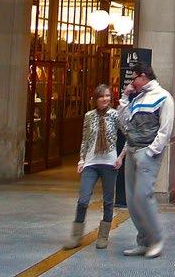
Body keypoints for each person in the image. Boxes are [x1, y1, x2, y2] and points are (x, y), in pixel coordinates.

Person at [117, 64, 174, 259]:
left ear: (142, 76)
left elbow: (165, 130)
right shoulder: (137, 98)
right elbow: (124, 124)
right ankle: (144, 241)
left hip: (146, 153)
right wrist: (125, 98)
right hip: (132, 150)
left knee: (143, 196)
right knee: (132, 201)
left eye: (134, 78)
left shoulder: (164, 97)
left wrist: (150, 152)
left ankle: (157, 240)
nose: (132, 82)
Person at [66, 84, 120, 251]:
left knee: (108, 201)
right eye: (101, 96)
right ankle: (76, 236)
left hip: (109, 163)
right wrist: (81, 160)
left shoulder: (115, 115)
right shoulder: (89, 116)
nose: (105, 99)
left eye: (108, 96)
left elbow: (128, 134)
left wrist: (121, 157)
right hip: (91, 163)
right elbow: (85, 139)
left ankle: (103, 236)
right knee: (83, 200)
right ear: (95, 99)